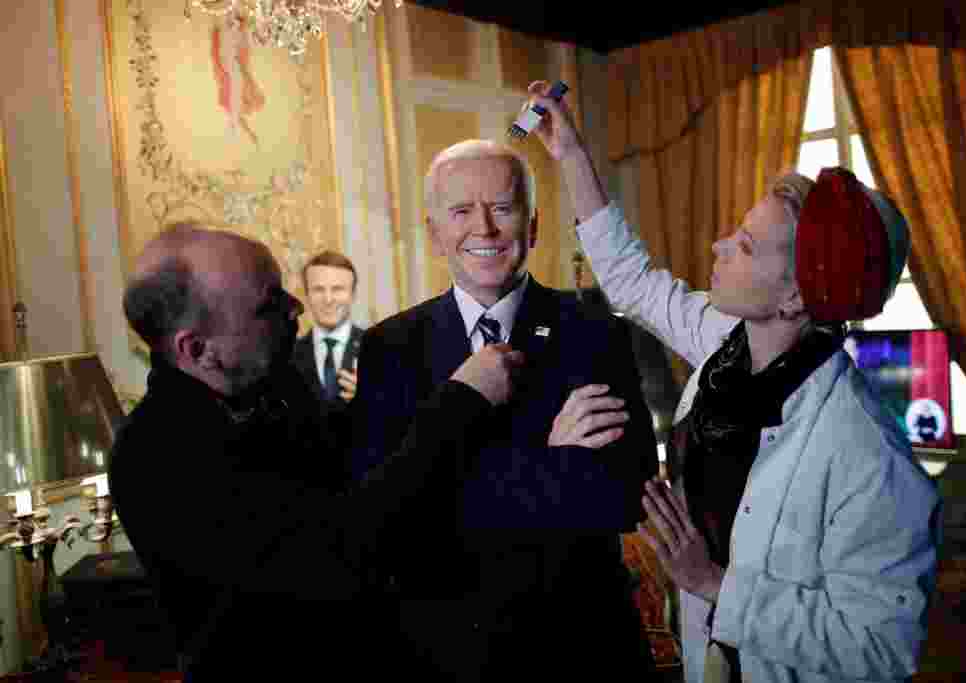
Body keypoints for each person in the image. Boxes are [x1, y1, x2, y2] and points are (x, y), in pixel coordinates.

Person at [526, 80, 942, 683]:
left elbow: (880, 650)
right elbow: (633, 281)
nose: (719, 246)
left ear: (798, 295)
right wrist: (569, 155)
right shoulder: (726, 347)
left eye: (745, 246)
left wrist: (712, 582)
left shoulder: (868, 455)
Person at [109, 222, 526, 681]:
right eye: (267, 306)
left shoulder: (273, 387)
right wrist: (461, 402)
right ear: (197, 349)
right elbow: (340, 549)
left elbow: (360, 452)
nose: (295, 310)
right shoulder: (153, 457)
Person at [347, 139, 660, 679]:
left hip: (583, 646)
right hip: (450, 652)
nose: (484, 229)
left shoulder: (595, 331)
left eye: (502, 208)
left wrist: (458, 482)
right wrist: (554, 458)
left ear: (533, 226)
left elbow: (623, 493)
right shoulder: (389, 348)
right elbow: (388, 519)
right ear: (434, 231)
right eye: (462, 211)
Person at [292, 250, 363, 411]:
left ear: (352, 294)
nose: (328, 299)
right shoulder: (288, 356)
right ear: (307, 294)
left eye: (338, 289)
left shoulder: (379, 350)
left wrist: (370, 397)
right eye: (318, 289)